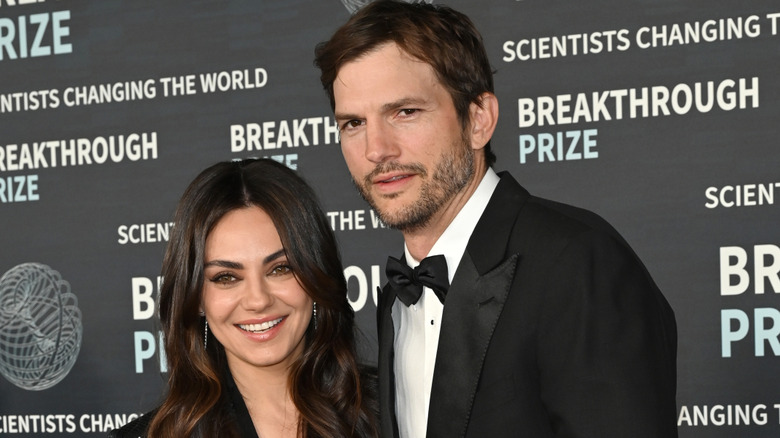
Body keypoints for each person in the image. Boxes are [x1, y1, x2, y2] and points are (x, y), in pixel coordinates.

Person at [314, 1, 678, 437]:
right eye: (353, 123)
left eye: (405, 112)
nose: (377, 149)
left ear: (478, 120)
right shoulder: (398, 296)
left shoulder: (578, 264)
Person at [109, 159, 378, 438]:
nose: (258, 300)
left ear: (315, 276)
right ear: (196, 298)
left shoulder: (393, 409)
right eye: (226, 277)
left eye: (281, 269)